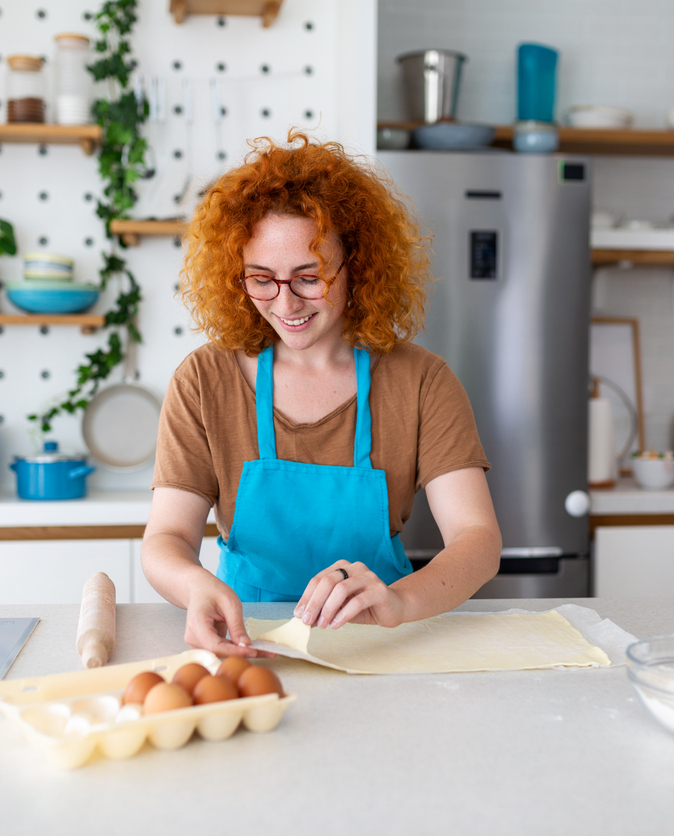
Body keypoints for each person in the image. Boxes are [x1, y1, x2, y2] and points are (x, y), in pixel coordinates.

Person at [141, 131, 502, 658]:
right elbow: (166, 539)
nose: (285, 303)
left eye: (309, 278)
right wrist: (195, 586)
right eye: (261, 279)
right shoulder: (204, 380)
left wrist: (399, 601)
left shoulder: (421, 380)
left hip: (382, 641)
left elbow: (478, 540)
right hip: (247, 637)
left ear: (356, 264)